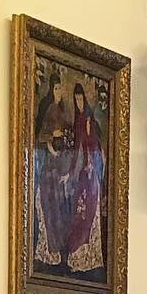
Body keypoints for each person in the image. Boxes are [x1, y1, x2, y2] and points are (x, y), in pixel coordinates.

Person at [62, 81, 104, 274]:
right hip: (83, 172)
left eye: (81, 99)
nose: (79, 102)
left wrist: (91, 165)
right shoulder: (78, 121)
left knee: (88, 212)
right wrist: (70, 173)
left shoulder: (88, 120)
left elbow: (92, 146)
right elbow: (77, 150)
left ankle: (89, 258)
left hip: (91, 173)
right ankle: (78, 258)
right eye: (76, 99)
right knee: (79, 214)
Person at [33, 68, 72, 267]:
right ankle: (52, 248)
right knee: (50, 205)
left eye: (60, 89)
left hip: (61, 163)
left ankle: (61, 248)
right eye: (56, 89)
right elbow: (41, 136)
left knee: (61, 206)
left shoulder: (63, 111)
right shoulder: (50, 109)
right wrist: (52, 137)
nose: (59, 92)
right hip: (50, 164)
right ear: (52, 90)